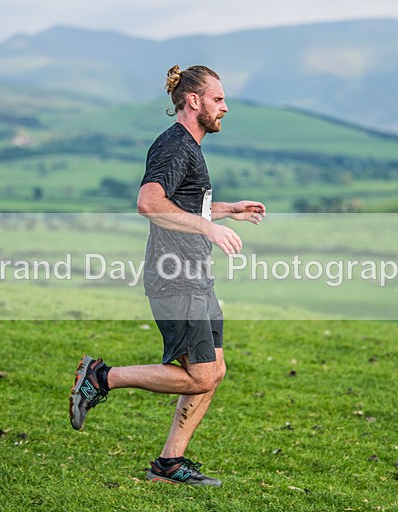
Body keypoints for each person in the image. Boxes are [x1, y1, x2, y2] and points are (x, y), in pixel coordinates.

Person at [69, 64, 266, 486]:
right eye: (218, 99)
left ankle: (169, 464)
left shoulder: (190, 147)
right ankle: (102, 377)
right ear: (193, 101)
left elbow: (184, 206)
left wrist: (228, 210)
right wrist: (210, 228)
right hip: (175, 279)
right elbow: (149, 202)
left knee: (213, 371)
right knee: (202, 374)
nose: (225, 108)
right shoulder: (176, 146)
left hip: (195, 276)